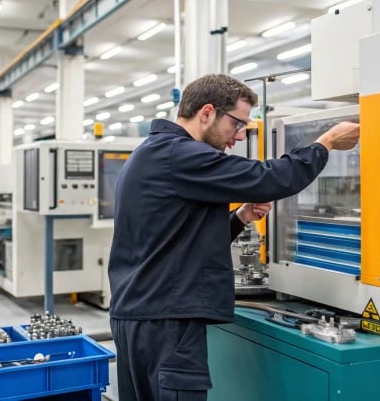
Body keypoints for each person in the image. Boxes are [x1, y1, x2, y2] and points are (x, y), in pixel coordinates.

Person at [108, 73, 360, 401]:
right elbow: (271, 178)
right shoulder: (181, 155)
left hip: (141, 317)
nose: (239, 136)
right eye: (237, 124)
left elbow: (177, 237)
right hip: (166, 323)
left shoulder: (154, 153)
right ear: (207, 112)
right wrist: (325, 142)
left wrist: (241, 217)